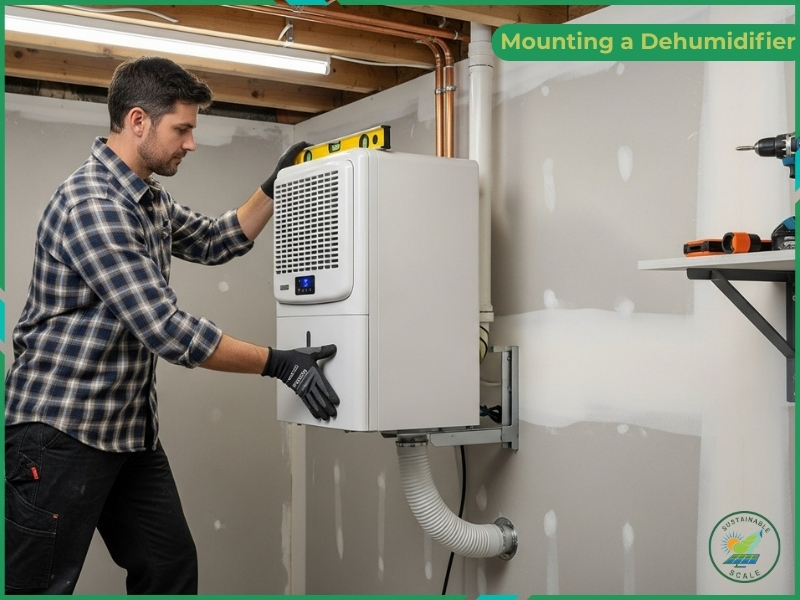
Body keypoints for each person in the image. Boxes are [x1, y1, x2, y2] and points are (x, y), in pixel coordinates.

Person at [4, 56, 339, 595]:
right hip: (57, 433)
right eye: (182, 128)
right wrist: (279, 364)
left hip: (126, 435)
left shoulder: (147, 198)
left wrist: (275, 186)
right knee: (38, 587)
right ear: (139, 121)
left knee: (168, 570)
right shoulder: (94, 204)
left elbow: (214, 239)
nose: (191, 143)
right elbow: (167, 330)